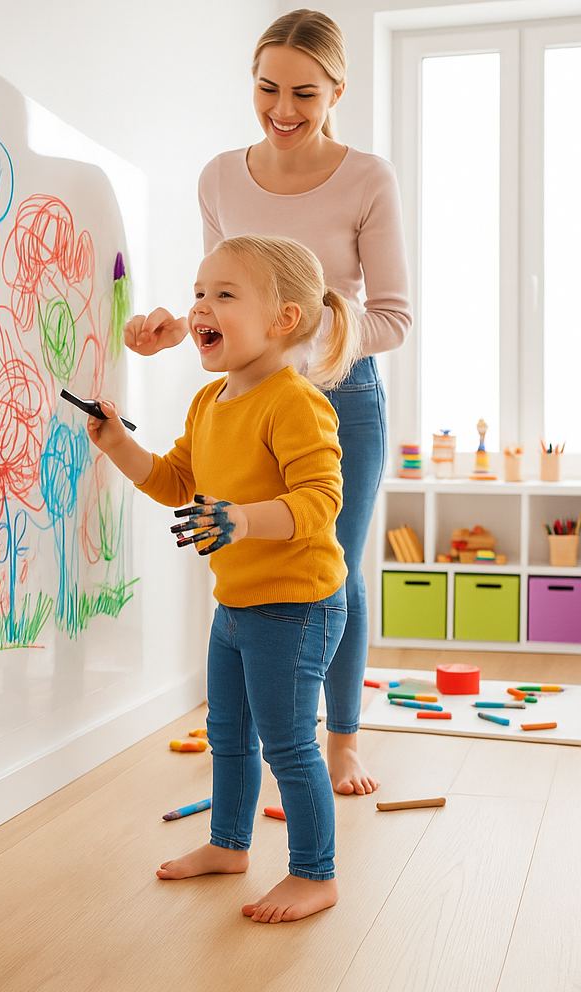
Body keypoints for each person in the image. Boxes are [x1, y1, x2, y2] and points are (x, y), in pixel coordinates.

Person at [125, 9, 411, 797]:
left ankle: (340, 739)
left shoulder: (368, 178)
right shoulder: (220, 176)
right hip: (248, 400)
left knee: (333, 568)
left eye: (304, 94)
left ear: (337, 91)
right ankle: (259, 740)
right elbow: (231, 290)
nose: (283, 110)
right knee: (251, 558)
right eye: (267, 89)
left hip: (342, 397)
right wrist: (179, 327)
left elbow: (392, 318)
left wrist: (299, 351)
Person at [86, 234, 358, 923]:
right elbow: (175, 481)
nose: (201, 307)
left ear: (283, 319)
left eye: (224, 294)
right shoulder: (210, 402)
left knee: (288, 743)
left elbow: (321, 501)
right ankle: (228, 845)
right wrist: (118, 444)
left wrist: (241, 518)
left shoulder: (295, 403)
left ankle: (315, 875)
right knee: (229, 736)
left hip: (296, 606)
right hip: (236, 604)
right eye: (199, 293)